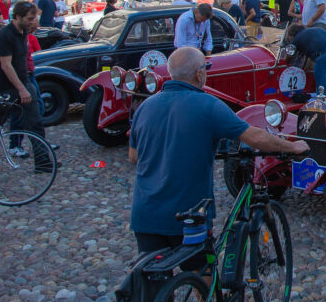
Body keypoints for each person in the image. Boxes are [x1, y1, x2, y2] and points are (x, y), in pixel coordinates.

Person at [128, 47, 308, 255]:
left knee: (154, 279)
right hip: (189, 212)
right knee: (201, 273)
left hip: (146, 212)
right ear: (199, 74)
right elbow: (255, 136)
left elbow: (134, 156)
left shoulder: (146, 106)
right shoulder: (207, 104)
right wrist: (293, 147)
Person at [0, 2, 48, 160]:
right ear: (18, 17)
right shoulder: (5, 35)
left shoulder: (23, 31)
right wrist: (21, 89)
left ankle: (43, 161)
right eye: (29, 18)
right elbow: (6, 66)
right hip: (4, 85)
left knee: (35, 121)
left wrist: (24, 86)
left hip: (23, 80)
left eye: (34, 18)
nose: (32, 21)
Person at [288, 23, 326, 95]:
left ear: (292, 35)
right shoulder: (313, 31)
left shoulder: (297, 38)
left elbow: (290, 54)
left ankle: (322, 104)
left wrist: (286, 63)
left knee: (322, 87)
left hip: (324, 54)